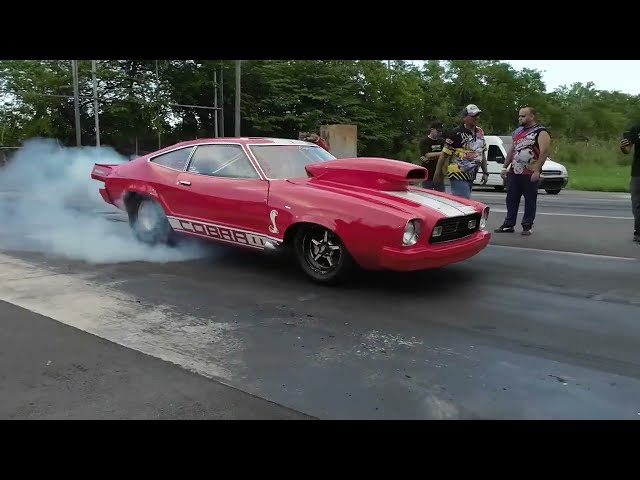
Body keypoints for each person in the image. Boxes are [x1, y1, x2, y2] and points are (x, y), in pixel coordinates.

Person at [494, 106, 550, 236]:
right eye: (519, 116)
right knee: (511, 199)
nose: (520, 118)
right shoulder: (517, 132)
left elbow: (544, 152)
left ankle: (527, 225)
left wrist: (537, 170)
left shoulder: (540, 131)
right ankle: (509, 224)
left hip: (529, 172)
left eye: (523, 116)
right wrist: (505, 167)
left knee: (530, 200)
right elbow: (512, 151)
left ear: (532, 116)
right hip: (515, 171)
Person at [433, 104, 488, 198]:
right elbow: (444, 154)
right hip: (458, 173)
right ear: (465, 117)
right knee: (463, 202)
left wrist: (485, 172)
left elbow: (482, 152)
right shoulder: (456, 133)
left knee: (465, 202)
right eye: (473, 115)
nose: (476, 118)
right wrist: (437, 173)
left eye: (478, 115)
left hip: (471, 174)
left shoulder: (479, 132)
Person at [620, 123, 640, 243]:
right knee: (637, 204)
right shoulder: (636, 128)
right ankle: (638, 233)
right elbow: (627, 150)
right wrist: (623, 147)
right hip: (638, 172)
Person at [418, 121, 446, 191]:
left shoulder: (442, 141)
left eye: (440, 131)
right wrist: (442, 153)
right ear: (432, 129)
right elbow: (428, 155)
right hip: (428, 174)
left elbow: (446, 155)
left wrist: (442, 154)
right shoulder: (424, 141)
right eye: (437, 130)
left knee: (441, 196)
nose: (439, 133)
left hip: (439, 174)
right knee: (427, 196)